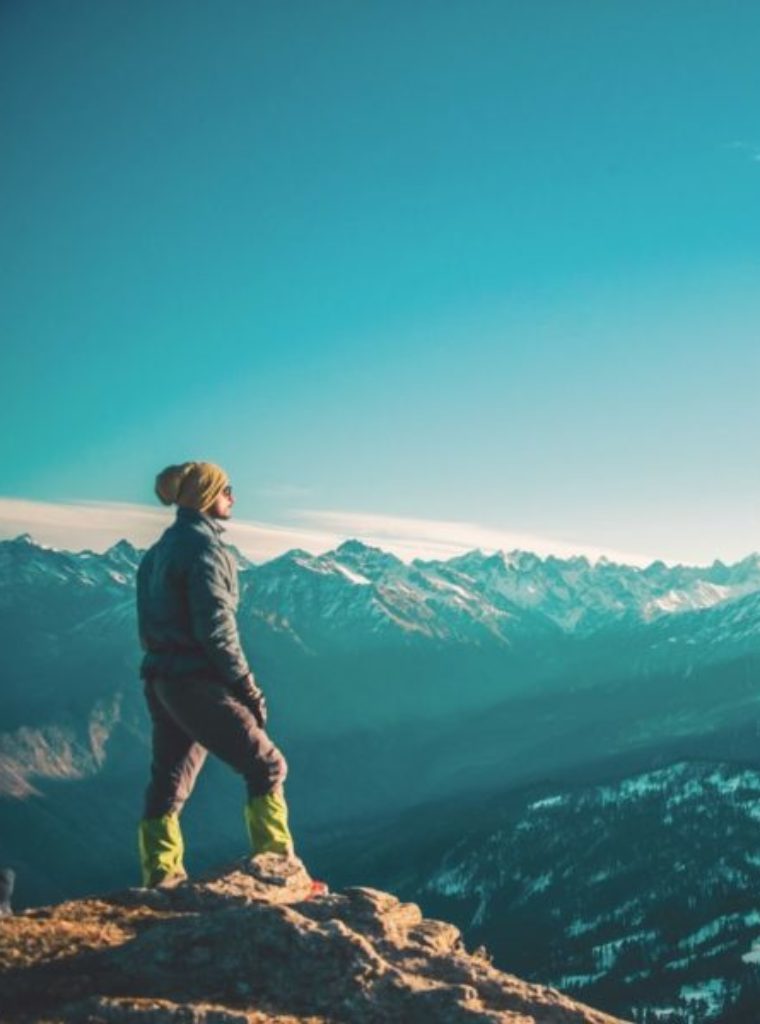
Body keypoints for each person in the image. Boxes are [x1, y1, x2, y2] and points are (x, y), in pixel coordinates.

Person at [136, 461, 312, 889]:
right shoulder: (206, 552)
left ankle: (161, 875)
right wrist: (246, 688)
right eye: (226, 489)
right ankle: (277, 869)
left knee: (169, 780)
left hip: (162, 679)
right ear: (206, 494)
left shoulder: (157, 553)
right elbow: (217, 631)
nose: (233, 496)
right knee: (267, 766)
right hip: (198, 681)